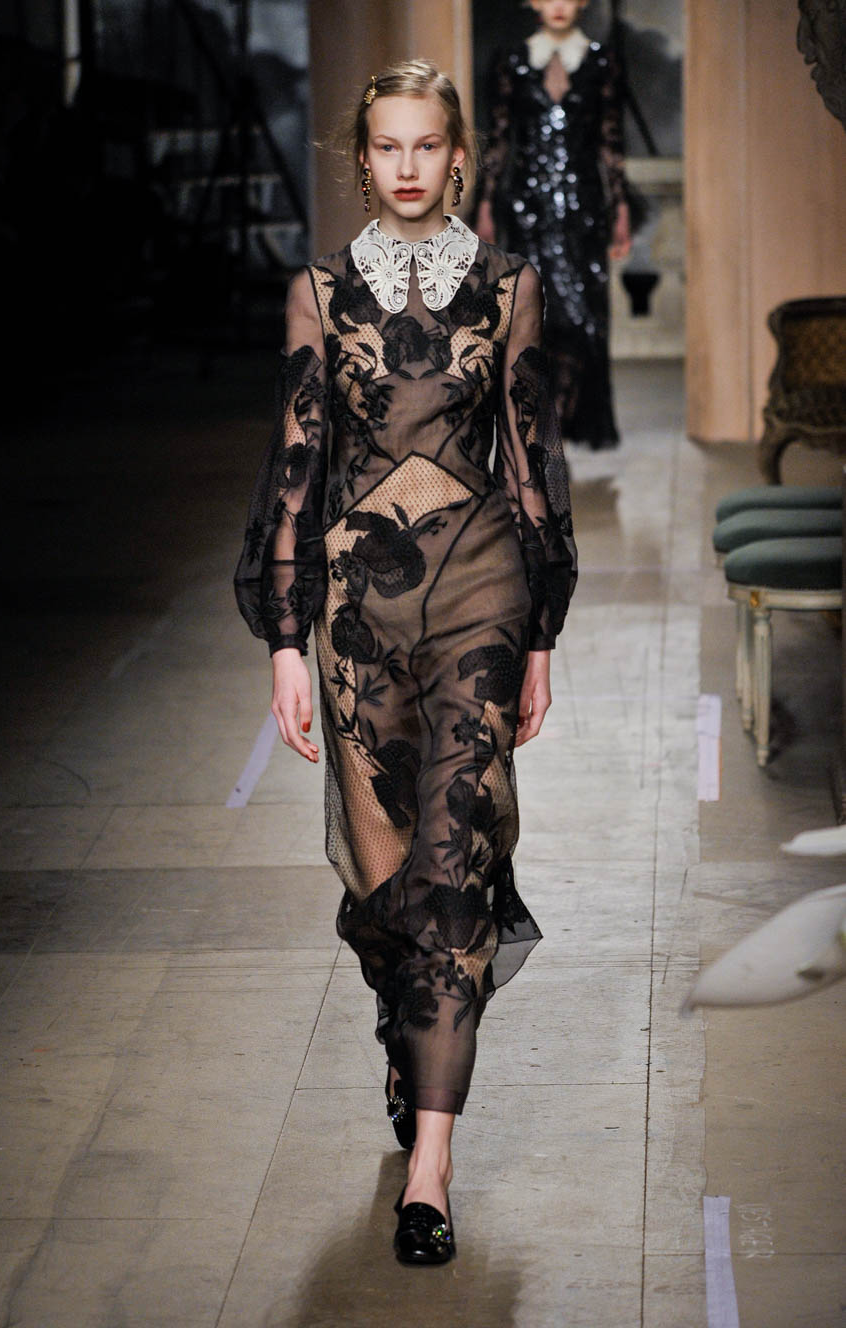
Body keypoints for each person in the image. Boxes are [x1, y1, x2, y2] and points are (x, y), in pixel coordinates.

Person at [234, 59, 577, 1264]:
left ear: (457, 154)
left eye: (427, 144)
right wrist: (285, 640)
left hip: (481, 589)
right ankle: (405, 1016)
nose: (408, 165)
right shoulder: (319, 294)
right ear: (362, 158)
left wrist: (541, 630)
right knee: (387, 877)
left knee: (453, 859)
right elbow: (295, 466)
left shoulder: (510, 287)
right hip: (355, 611)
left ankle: (429, 1167)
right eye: (387, 145)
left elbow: (530, 459)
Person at [476, 0, 632, 449]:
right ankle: (535, 420)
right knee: (532, 313)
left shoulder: (602, 62)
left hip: (585, 209)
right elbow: (499, 140)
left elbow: (610, 141)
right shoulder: (511, 61)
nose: (558, 4)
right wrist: (485, 203)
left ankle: (574, 416)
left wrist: (620, 206)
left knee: (585, 315)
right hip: (528, 209)